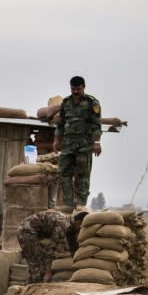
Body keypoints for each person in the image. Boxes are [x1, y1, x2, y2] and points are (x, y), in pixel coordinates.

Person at [53, 75, 102, 209]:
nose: (75, 91)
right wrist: (57, 140)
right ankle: (68, 203)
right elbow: (60, 124)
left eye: (78, 89)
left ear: (84, 87)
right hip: (68, 145)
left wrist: (97, 143)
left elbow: (96, 124)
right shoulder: (66, 102)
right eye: (73, 89)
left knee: (83, 175)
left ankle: (81, 204)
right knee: (63, 172)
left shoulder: (92, 102)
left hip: (84, 145)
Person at [17, 210, 87, 284]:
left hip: (34, 232)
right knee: (37, 264)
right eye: (81, 227)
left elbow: (73, 246)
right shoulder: (63, 225)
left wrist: (79, 263)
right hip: (26, 231)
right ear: (79, 222)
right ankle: (34, 288)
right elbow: (50, 249)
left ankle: (33, 285)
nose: (80, 230)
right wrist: (48, 272)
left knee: (40, 260)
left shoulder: (71, 227)